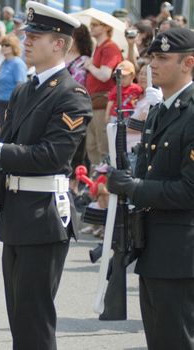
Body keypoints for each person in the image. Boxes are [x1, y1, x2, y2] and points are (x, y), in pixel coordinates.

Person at [0, 2, 92, 349]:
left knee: (34, 320)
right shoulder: (25, 90)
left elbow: (52, 155)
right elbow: (10, 143)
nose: (27, 41)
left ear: (58, 44)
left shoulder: (72, 94)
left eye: (35, 36)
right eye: (27, 34)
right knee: (19, 317)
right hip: (17, 211)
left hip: (44, 214)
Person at [106, 28, 194, 350]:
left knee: (177, 341)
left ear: (189, 63)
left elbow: (189, 190)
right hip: (153, 248)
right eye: (152, 57)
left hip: (182, 253)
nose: (152, 65)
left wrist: (135, 187)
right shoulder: (159, 111)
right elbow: (146, 171)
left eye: (163, 58)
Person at [84, 15, 123, 166]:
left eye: (95, 24)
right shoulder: (99, 47)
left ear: (106, 27)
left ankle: (105, 185)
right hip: (94, 103)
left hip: (104, 104)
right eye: (91, 24)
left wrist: (90, 66)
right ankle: (96, 184)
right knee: (92, 146)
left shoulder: (110, 47)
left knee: (103, 147)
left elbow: (105, 75)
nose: (91, 27)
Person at [0, 33, 27, 129]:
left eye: (7, 45)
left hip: (11, 104)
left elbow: (21, 85)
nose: (3, 47)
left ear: (14, 46)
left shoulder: (17, 63)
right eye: (2, 45)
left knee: (8, 132)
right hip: (1, 102)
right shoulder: (4, 62)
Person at [104, 60, 143, 124]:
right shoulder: (116, 88)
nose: (121, 80)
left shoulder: (137, 88)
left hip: (131, 116)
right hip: (115, 116)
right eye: (118, 77)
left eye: (124, 77)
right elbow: (110, 101)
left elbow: (141, 99)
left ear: (132, 75)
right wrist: (107, 115)